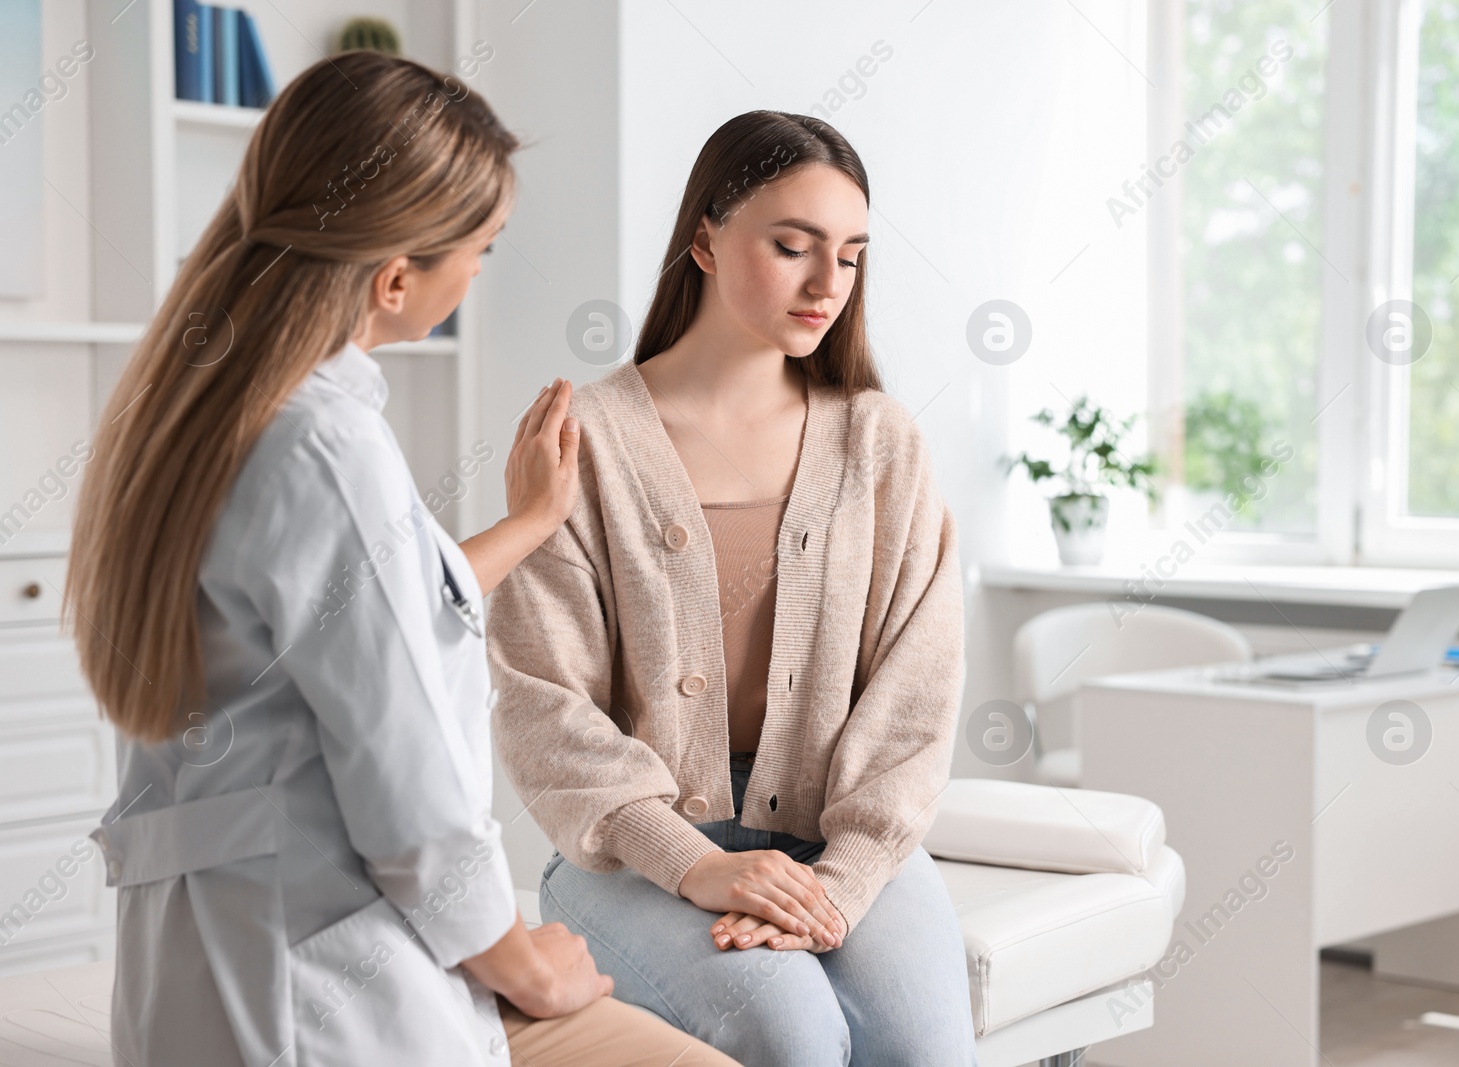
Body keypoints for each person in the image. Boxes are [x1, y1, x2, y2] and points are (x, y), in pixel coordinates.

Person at [65, 51, 738, 1067]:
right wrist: (524, 958)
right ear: (392, 278)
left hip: (208, 975)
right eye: (484, 248)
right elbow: (405, 781)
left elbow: (348, 623)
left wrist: (527, 521)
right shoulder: (327, 447)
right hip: (326, 996)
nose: (477, 275)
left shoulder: (203, 412)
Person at [488, 110, 977, 1066]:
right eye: (792, 246)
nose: (826, 284)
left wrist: (843, 879)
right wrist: (698, 861)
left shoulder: (879, 441)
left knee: (924, 1047)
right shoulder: (585, 441)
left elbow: (920, 689)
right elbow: (543, 703)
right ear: (704, 239)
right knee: (788, 1030)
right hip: (633, 844)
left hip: (839, 825)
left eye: (851, 255)